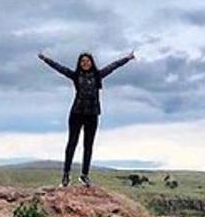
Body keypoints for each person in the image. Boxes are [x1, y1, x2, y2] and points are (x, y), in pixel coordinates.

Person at [37, 49, 135, 187]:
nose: (85, 63)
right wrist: (45, 59)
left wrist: (127, 58)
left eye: (87, 61)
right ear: (79, 63)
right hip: (77, 113)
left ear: (92, 62)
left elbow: (113, 66)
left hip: (92, 114)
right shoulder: (76, 76)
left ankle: (84, 175)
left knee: (88, 146)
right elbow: (60, 68)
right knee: (72, 143)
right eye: (82, 61)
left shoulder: (98, 75)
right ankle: (66, 175)